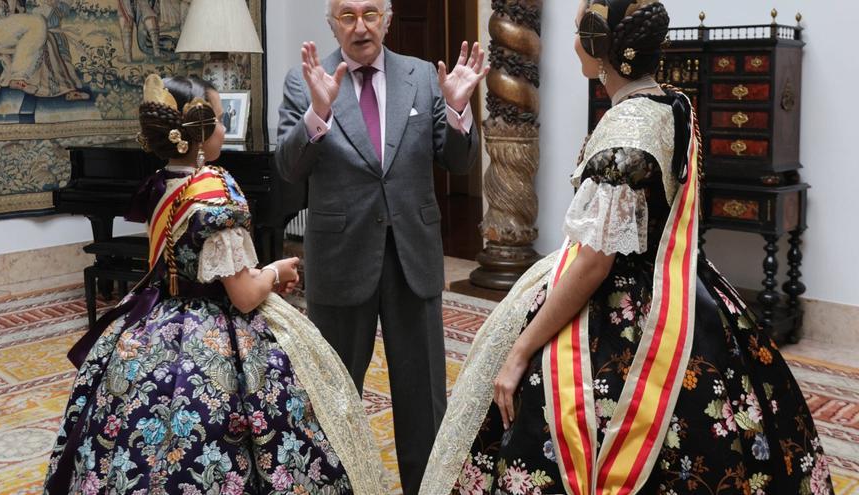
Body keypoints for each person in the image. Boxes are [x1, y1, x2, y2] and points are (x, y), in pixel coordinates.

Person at [420, 1, 834, 494]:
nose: (573, 42)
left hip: (623, 312)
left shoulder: (626, 133)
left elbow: (596, 261)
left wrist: (520, 351)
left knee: (549, 409)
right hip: (682, 289)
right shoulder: (671, 103)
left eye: (578, 32)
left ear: (601, 48)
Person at [42, 74, 385, 495]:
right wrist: (275, 272)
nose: (225, 129)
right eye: (220, 120)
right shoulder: (216, 194)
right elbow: (242, 296)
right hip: (215, 333)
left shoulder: (161, 182)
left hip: (154, 322)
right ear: (198, 135)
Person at [276, 1, 487, 493]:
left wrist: (457, 109)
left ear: (388, 19)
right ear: (332, 24)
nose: (360, 25)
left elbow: (457, 162)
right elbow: (288, 169)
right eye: (346, 15)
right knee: (334, 395)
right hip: (340, 259)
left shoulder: (422, 76)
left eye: (370, 13)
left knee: (423, 396)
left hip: (412, 257)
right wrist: (318, 112)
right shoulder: (304, 79)